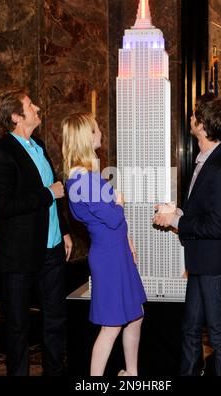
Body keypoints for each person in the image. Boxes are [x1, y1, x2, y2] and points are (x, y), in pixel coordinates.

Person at [0, 87, 73, 376]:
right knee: (18, 326)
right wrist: (47, 193)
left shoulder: (40, 146)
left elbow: (57, 191)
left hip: (52, 248)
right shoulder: (0, 154)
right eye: (30, 104)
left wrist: (66, 231)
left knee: (55, 319)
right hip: (18, 256)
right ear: (16, 116)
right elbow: (4, 205)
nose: (37, 107)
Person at [153, 94, 221, 376]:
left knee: (218, 337)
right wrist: (177, 213)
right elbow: (203, 214)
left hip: (213, 267)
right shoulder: (204, 160)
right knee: (189, 330)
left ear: (202, 124)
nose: (191, 117)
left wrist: (177, 222)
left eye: (195, 114)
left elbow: (216, 226)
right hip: (199, 264)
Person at [62, 112, 146, 376]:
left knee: (135, 314)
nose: (100, 132)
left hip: (116, 250)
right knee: (112, 325)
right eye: (96, 129)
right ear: (87, 137)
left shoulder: (84, 177)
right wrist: (119, 201)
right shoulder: (83, 180)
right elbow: (113, 217)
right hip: (109, 256)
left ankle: (131, 373)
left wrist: (127, 239)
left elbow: (112, 222)